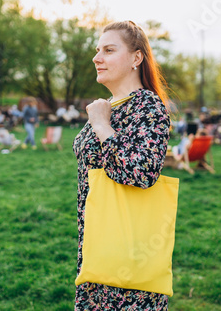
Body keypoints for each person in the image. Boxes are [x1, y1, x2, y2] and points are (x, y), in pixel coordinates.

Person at [72, 20, 170, 309]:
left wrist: (102, 125)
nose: (96, 58)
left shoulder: (147, 106)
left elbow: (142, 172)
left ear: (136, 58)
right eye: (97, 50)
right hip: (97, 244)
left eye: (109, 50)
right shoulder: (110, 105)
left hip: (130, 252)